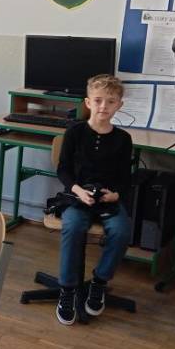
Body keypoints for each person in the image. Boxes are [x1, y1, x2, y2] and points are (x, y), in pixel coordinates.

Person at [54, 74, 133, 326]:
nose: (103, 106)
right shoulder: (75, 132)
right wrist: (78, 190)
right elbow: (63, 170)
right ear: (88, 102)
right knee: (73, 226)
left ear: (119, 105)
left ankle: (99, 282)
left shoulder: (123, 139)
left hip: (108, 199)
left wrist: (116, 194)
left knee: (121, 230)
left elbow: (125, 177)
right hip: (78, 197)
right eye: (98, 100)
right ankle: (67, 289)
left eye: (110, 101)